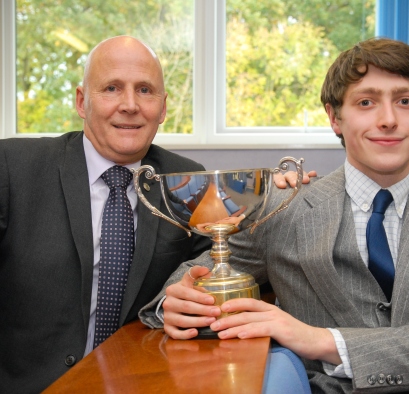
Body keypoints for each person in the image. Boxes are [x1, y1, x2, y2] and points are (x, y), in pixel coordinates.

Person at [139, 38, 409, 393]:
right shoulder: (281, 208)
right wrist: (178, 304)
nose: (388, 120)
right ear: (335, 117)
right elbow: (195, 278)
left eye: (404, 102)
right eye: (366, 102)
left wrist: (314, 339)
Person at [0, 35, 313, 393]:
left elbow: (229, 261)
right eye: (112, 88)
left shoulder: (186, 180)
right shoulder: (13, 168)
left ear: (163, 108)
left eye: (145, 90)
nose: (130, 105)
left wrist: (278, 200)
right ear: (82, 102)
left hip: (142, 378)